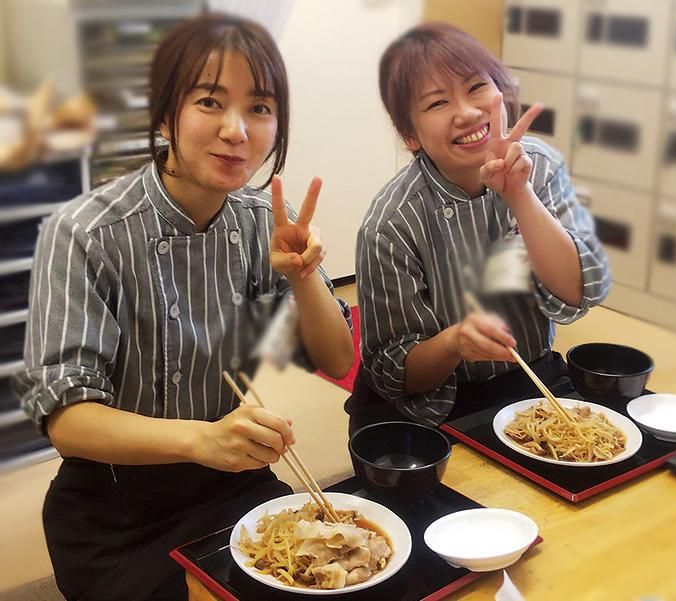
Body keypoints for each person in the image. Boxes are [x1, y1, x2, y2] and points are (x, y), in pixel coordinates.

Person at [12, 14, 354, 601]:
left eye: (259, 107)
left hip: (231, 484)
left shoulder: (261, 221)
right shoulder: (86, 233)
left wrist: (302, 278)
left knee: (330, 576)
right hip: (113, 515)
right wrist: (201, 440)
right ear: (165, 114)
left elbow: (338, 357)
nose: (235, 130)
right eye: (210, 101)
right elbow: (67, 421)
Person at [346, 23, 610, 433]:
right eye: (437, 102)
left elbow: (578, 290)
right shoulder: (391, 223)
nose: (467, 112)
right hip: (428, 408)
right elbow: (393, 371)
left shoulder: (539, 167)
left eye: (476, 87)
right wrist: (455, 341)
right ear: (410, 134)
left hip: (527, 379)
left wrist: (520, 195)